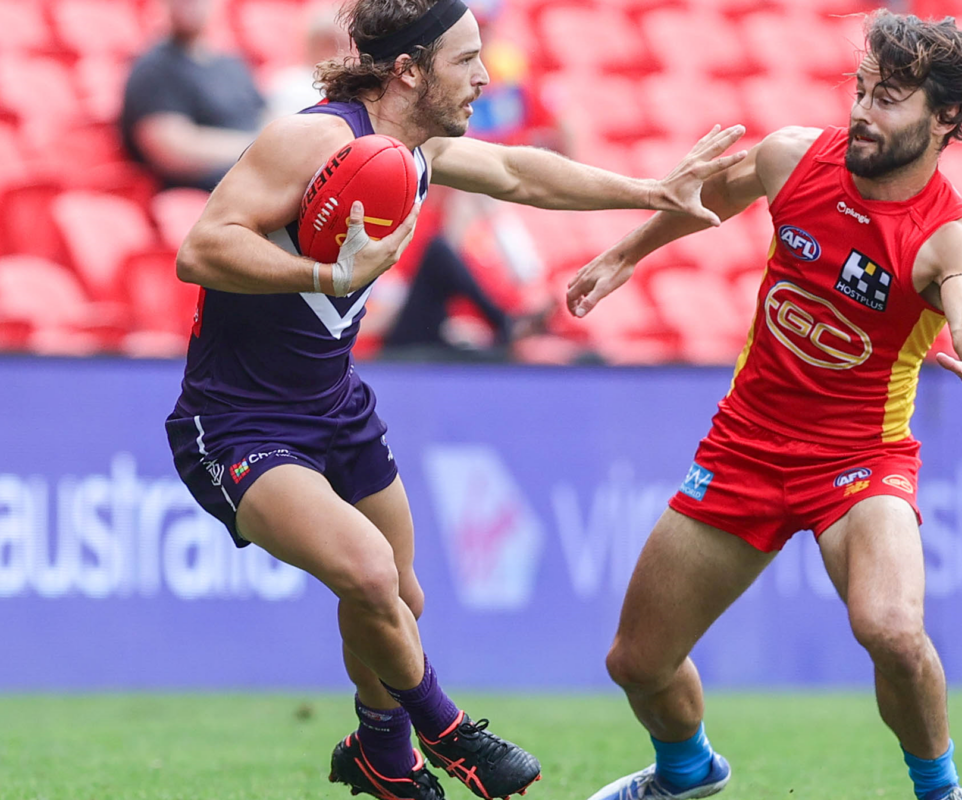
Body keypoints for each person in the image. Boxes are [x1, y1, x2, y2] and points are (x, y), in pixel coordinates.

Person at [167, 1, 747, 799]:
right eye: (467, 58)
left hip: (335, 408)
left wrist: (650, 190)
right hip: (236, 422)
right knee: (370, 577)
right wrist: (326, 275)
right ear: (409, 69)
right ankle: (449, 732)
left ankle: (380, 750)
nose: (486, 74)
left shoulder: (414, 148)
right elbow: (200, 249)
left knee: (400, 596)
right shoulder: (313, 140)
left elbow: (517, 172)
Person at [567, 11, 962, 800]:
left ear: (947, 119)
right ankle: (686, 774)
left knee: (890, 630)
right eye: (861, 90)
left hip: (860, 463)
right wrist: (624, 255)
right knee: (635, 662)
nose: (862, 110)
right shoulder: (794, 158)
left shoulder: (949, 237)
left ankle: (941, 790)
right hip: (744, 448)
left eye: (888, 99)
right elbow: (713, 191)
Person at [120, 0, 265, 191]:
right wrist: (255, 148)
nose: (190, 4)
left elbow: (265, 114)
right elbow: (171, 150)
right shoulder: (153, 69)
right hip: (210, 191)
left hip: (255, 173)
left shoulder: (231, 64)